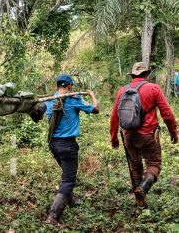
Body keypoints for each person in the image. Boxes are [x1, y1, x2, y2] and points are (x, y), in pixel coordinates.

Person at [110, 62, 178, 208]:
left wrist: (114, 137)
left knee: (135, 166)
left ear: (133, 75)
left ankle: (140, 201)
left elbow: (114, 116)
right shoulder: (153, 88)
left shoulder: (122, 91)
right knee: (154, 164)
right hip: (148, 136)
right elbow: (166, 113)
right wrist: (173, 131)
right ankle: (143, 189)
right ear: (146, 74)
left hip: (128, 136)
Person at [45, 74, 99, 225]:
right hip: (67, 145)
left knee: (66, 173)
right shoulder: (74, 100)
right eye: (71, 86)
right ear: (69, 86)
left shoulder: (49, 101)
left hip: (53, 145)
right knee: (69, 180)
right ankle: (53, 217)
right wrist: (92, 95)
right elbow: (95, 109)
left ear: (57, 86)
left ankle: (71, 200)